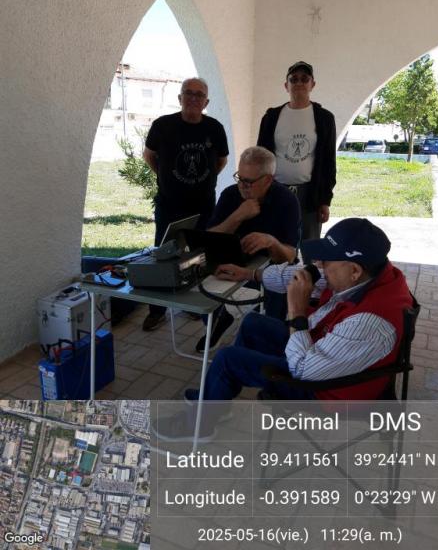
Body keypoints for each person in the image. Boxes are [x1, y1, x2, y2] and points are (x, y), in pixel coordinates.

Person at [152, 218, 413, 441]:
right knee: (253, 324)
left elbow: (303, 371)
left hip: (326, 389)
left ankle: (199, 426)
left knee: (228, 359)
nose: (319, 264)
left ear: (354, 270)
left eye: (326, 261)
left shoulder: (371, 323)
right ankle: (216, 398)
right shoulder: (372, 274)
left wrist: (296, 312)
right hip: (324, 349)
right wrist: (250, 275)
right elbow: (305, 275)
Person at [142, 77, 229, 331]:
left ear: (206, 102)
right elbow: (149, 156)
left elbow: (221, 161)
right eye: (188, 93)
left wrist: (201, 181)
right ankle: (157, 309)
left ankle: (192, 304)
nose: (193, 98)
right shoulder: (163, 125)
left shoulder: (215, 128)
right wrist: (165, 177)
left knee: (198, 255)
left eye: (199, 95)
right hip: (169, 205)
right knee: (163, 254)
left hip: (203, 205)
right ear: (180, 98)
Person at [194, 146, 300, 352]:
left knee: (277, 289)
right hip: (233, 258)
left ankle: (267, 341)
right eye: (239, 178)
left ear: (268, 180)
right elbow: (209, 239)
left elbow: (289, 256)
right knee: (200, 277)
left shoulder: (286, 200)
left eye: (248, 182)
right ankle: (217, 321)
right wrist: (238, 216)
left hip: (270, 264)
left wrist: (271, 242)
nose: (242, 186)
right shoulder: (230, 195)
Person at [257, 61, 336, 244]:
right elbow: (260, 157)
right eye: (294, 79)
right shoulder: (271, 117)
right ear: (286, 85)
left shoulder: (324, 118)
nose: (299, 83)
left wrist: (325, 200)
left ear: (312, 84)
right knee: (275, 243)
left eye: (304, 79)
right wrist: (258, 193)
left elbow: (328, 162)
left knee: (309, 246)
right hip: (275, 191)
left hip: (309, 194)